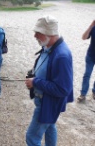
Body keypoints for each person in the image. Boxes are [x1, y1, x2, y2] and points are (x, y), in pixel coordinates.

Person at [24, 15, 73, 146]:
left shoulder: (61, 55)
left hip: (49, 103)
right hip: (45, 100)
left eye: (38, 33)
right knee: (50, 127)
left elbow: (63, 89)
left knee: (31, 138)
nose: (35, 36)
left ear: (49, 34)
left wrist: (35, 82)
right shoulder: (49, 47)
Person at [77, 20, 95, 102]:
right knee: (87, 74)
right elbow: (84, 37)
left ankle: (94, 91)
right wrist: (91, 26)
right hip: (90, 56)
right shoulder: (93, 27)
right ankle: (83, 94)